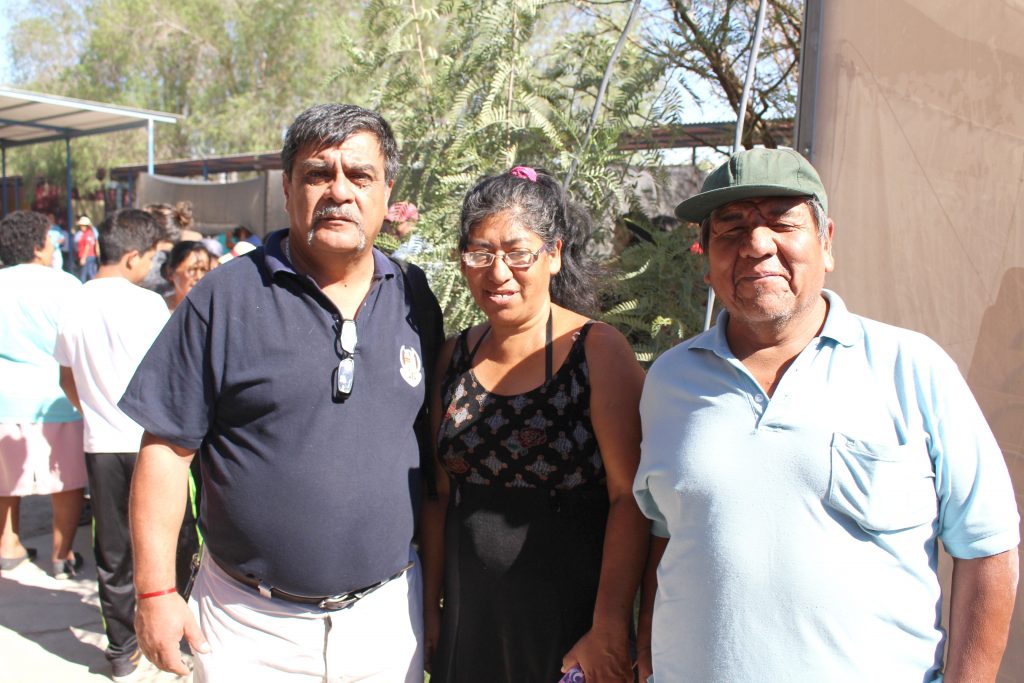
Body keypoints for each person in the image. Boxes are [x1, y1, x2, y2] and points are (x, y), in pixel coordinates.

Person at [633, 148, 1020, 682]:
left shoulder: (911, 368)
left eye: (782, 222)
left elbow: (989, 547)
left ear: (827, 242)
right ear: (707, 258)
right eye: (731, 228)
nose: (756, 245)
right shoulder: (670, 381)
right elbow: (666, 536)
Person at [119, 103, 443, 682]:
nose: (338, 191)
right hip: (248, 627)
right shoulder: (222, 301)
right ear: (289, 187)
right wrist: (155, 591)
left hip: (388, 621)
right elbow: (165, 452)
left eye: (359, 175)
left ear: (387, 190)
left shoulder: (413, 297)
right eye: (318, 174)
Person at [421, 167, 649, 682]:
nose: (498, 271)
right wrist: (432, 610)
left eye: (517, 252)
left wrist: (611, 625)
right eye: (480, 253)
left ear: (554, 255)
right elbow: (439, 495)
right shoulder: (454, 356)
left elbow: (631, 497)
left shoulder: (596, 351)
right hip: (469, 623)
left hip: (568, 629)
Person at [54, 208, 194, 681]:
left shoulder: (74, 301)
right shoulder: (148, 305)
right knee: (175, 538)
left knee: (112, 550)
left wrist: (92, 410)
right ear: (132, 256)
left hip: (101, 444)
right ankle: (180, 632)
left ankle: (121, 649)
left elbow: (66, 377)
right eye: (152, 258)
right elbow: (172, 374)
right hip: (154, 443)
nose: (153, 268)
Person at [0, 210, 86, 579]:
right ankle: (61, 554)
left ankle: (8, 545)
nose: (54, 246)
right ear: (37, 246)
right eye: (50, 240)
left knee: (4, 478)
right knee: (65, 480)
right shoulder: (65, 286)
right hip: (58, 397)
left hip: (4, 396)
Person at [160, 240, 214, 311]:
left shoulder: (214, 309)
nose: (198, 277)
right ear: (170, 272)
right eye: (192, 270)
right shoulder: (158, 309)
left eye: (203, 270)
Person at [74, 215, 99, 282]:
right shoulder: (88, 233)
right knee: (90, 273)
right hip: (89, 256)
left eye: (82, 225)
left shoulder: (88, 234)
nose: (81, 227)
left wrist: (83, 258)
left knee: (84, 275)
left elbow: (87, 246)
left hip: (88, 257)